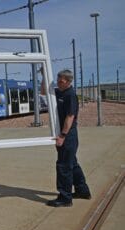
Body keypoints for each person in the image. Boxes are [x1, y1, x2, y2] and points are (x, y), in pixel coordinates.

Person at [40, 68, 91, 207]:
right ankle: (83, 191)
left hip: (68, 135)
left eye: (60, 80)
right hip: (65, 135)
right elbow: (44, 92)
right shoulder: (60, 92)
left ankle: (65, 198)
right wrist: (44, 76)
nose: (58, 82)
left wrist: (62, 135)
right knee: (72, 164)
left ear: (68, 81)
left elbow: (70, 117)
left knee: (63, 166)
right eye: (57, 80)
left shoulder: (70, 95)